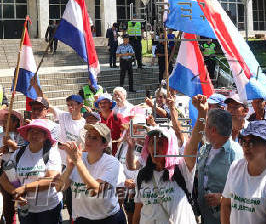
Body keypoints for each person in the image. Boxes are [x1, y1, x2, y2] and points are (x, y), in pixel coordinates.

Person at [132, 94, 206, 224]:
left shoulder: (182, 169)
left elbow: (193, 144)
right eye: (151, 143)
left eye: (160, 143)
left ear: (170, 147)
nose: (155, 147)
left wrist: (201, 114)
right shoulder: (142, 175)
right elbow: (138, 210)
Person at [221, 120, 266, 224]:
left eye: (252, 142)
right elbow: (226, 204)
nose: (246, 146)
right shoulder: (235, 167)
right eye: (243, 141)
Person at [57, 123, 127, 223]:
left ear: (104, 144)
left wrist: (78, 163)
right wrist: (69, 167)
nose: (89, 140)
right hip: (82, 219)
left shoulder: (112, 163)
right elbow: (59, 188)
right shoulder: (79, 158)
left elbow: (95, 190)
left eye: (94, 138)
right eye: (88, 136)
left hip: (107, 219)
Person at [0, 120, 62, 224]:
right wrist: (15, 193)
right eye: (32, 131)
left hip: (48, 209)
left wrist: (24, 188)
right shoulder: (18, 153)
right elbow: (3, 178)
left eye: (38, 132)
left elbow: (51, 180)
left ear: (45, 136)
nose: (34, 134)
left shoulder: (51, 153)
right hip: (25, 209)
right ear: (27, 135)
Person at [196, 106, 243, 224]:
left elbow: (245, 191)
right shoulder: (205, 149)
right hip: (206, 218)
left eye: (206, 125)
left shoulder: (236, 154)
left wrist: (223, 199)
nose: (204, 129)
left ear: (213, 130)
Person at [0, 109, 24, 224]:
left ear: (15, 123)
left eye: (7, 121)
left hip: (19, 169)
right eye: (3, 121)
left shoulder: (22, 135)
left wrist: (12, 145)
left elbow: (24, 150)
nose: (4, 124)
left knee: (21, 196)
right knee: (7, 198)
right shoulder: (1, 136)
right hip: (4, 169)